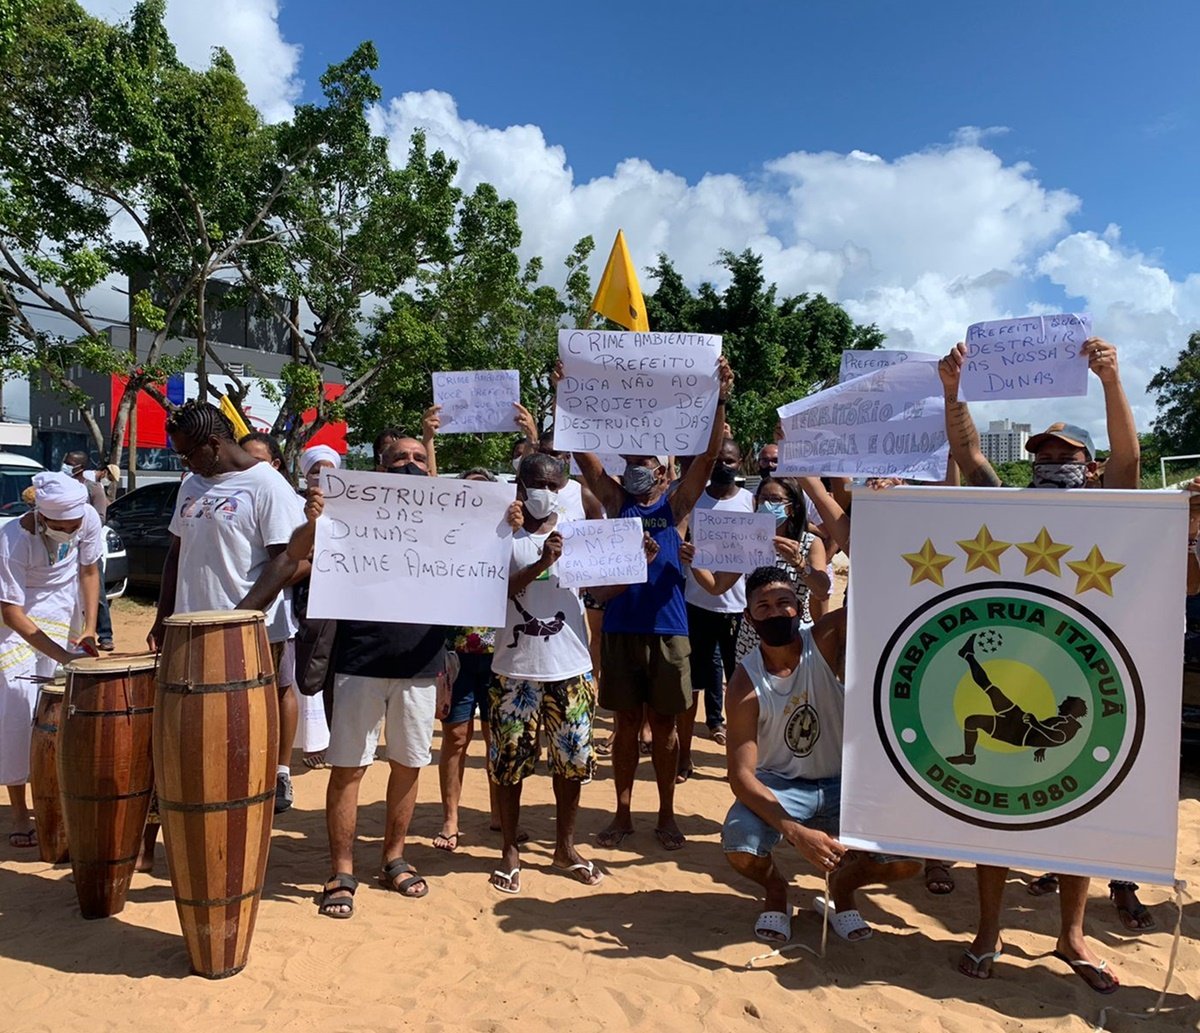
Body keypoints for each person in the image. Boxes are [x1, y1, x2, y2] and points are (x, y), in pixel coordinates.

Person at [938, 337, 1138, 992]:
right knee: (1001, 811)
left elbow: (1131, 461)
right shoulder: (1008, 506)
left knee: (1078, 815)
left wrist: (1110, 380)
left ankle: (1072, 934)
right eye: (1042, 454)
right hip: (1019, 673)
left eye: (1065, 453)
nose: (1051, 460)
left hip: (1086, 677)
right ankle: (990, 930)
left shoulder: (1108, 504)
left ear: (1090, 463)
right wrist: (952, 389)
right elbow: (968, 454)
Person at [299, 438, 523, 918]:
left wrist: (506, 527)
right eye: (400, 457)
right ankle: (341, 870)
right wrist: (315, 518)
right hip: (359, 660)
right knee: (348, 767)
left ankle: (393, 858)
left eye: (420, 457)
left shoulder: (451, 523)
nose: (411, 464)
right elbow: (305, 558)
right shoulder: (348, 512)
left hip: (422, 665)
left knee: (408, 763)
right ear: (379, 466)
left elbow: (489, 566)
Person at [573, 356, 734, 851]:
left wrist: (721, 395)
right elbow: (584, 458)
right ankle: (622, 814)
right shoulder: (619, 503)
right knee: (624, 726)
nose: (631, 468)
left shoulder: (676, 506)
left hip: (670, 630)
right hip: (621, 628)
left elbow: (706, 461)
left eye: (641, 461)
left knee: (664, 726)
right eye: (627, 462)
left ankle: (665, 813)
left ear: (663, 469)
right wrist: (568, 396)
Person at [723, 565, 920, 943]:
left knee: (908, 861)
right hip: (782, 785)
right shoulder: (744, 684)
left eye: (784, 603)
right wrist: (795, 833)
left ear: (799, 608)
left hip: (844, 782)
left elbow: (874, 598)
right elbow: (741, 777)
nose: (776, 612)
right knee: (740, 844)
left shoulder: (825, 640)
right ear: (748, 617)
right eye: (762, 607)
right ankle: (777, 892)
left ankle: (841, 890)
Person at [149, 403, 308, 817]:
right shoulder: (191, 483)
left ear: (215, 444)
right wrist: (161, 617)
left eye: (188, 454)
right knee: (196, 725)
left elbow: (287, 559)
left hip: (250, 631)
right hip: (189, 628)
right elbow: (175, 552)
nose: (185, 462)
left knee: (244, 726)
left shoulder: (267, 485)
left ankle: (257, 794)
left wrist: (238, 618)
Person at [487, 452, 606, 894]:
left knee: (571, 762)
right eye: (538, 483)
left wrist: (638, 567)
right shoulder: (500, 529)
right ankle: (510, 851)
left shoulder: (577, 531)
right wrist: (541, 563)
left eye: (555, 486)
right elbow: (492, 591)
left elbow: (603, 590)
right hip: (514, 670)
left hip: (570, 667)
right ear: (520, 483)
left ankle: (565, 847)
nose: (546, 492)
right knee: (510, 763)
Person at [0, 472, 102, 846]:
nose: (72, 531)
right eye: (63, 527)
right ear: (42, 518)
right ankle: (18, 811)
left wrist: (90, 627)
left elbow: (89, 571)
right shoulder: (11, 541)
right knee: (16, 707)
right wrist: (61, 654)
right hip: (17, 625)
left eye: (75, 525)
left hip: (60, 611)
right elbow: (10, 612)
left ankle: (56, 801)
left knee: (57, 710)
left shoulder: (87, 519)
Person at [437, 468, 504, 853]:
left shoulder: (506, 538)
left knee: (497, 738)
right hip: (457, 657)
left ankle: (500, 813)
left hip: (500, 657)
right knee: (456, 738)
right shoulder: (446, 541)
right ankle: (451, 818)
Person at [679, 438, 753, 779]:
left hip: (739, 609)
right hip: (696, 604)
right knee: (692, 684)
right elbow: (678, 534)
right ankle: (684, 756)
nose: (724, 465)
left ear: (740, 463)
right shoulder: (695, 499)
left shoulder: (751, 502)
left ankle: (736, 764)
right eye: (719, 459)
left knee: (740, 685)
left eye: (731, 460)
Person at [61, 452, 114, 651]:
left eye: (70, 464)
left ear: (80, 468)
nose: (65, 466)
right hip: (64, 548)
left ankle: (105, 634)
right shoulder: (60, 487)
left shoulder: (93, 489)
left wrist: (76, 523)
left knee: (95, 591)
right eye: (65, 463)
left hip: (89, 549)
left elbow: (100, 518)